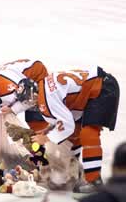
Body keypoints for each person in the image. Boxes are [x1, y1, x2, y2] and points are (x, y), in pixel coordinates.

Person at [12, 66, 120, 195]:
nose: (29, 104)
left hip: (101, 88)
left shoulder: (46, 98)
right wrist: (48, 130)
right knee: (75, 136)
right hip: (90, 92)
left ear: (34, 93)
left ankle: (94, 181)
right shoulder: (44, 88)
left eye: (29, 100)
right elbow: (64, 120)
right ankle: (77, 171)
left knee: (88, 134)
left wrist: (46, 138)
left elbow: (67, 125)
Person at [0, 59, 48, 132]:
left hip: (36, 73)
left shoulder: (8, 88)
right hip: (14, 76)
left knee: (36, 114)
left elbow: (30, 99)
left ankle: (44, 137)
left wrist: (13, 109)